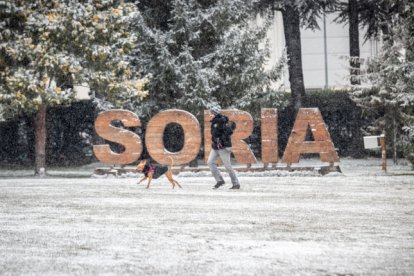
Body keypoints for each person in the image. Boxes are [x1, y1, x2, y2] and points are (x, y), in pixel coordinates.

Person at [207, 106, 240, 189]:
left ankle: (236, 184)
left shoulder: (222, 121)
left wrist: (220, 140)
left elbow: (228, 132)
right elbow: (214, 134)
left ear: (215, 113)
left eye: (211, 112)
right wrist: (216, 140)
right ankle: (220, 180)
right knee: (210, 162)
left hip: (223, 147)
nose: (209, 114)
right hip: (216, 146)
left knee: (227, 166)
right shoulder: (214, 122)